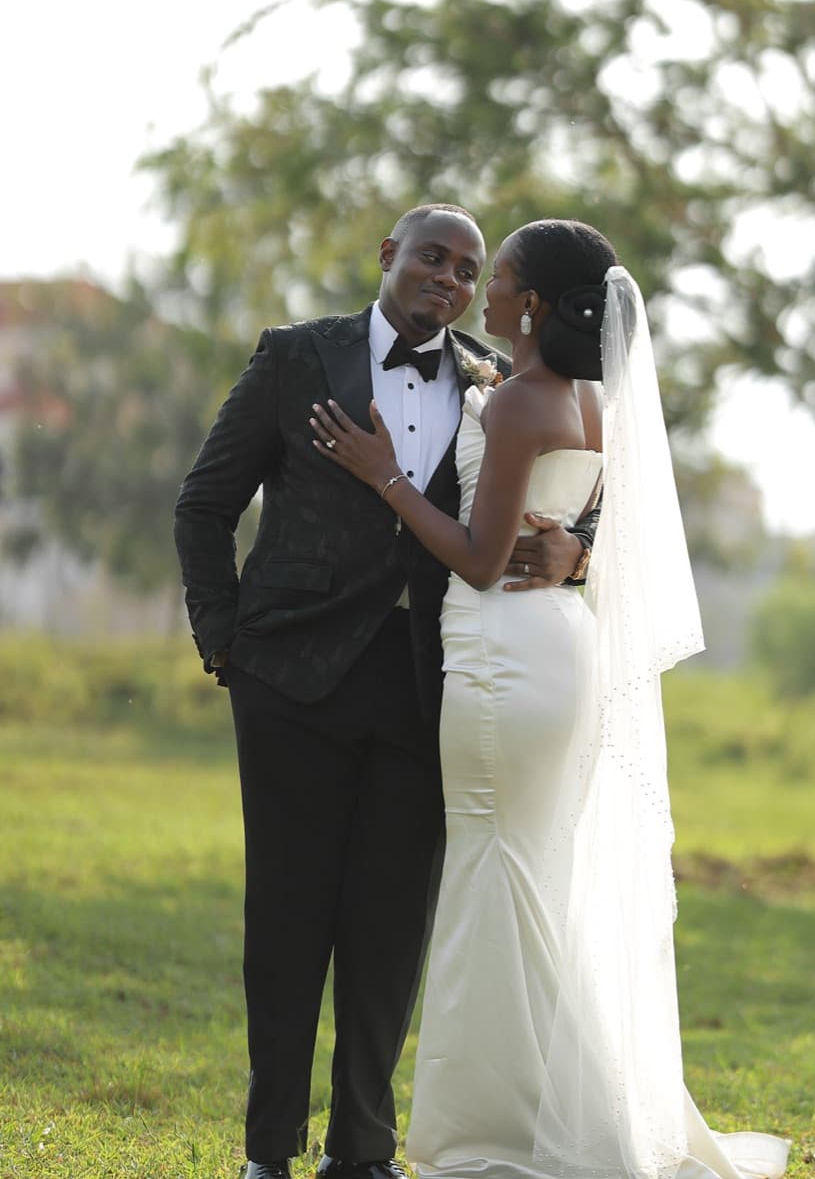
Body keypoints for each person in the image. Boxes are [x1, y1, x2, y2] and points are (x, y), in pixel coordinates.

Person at [312, 218, 790, 1179]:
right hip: (559, 648)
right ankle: (561, 1110)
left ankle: (501, 1133)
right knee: (528, 874)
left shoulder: (521, 404)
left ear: (528, 304)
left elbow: (483, 561)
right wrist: (574, 549)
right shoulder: (592, 403)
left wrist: (386, 477)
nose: (482, 294)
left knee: (496, 867)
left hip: (500, 657)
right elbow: (591, 527)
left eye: (500, 281)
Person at [173, 204, 598, 1179]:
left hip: (430, 690)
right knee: (284, 919)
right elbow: (205, 503)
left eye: (467, 267)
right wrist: (225, 641)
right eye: (431, 258)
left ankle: (361, 1152)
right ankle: (267, 1151)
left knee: (389, 926)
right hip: (286, 683)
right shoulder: (295, 356)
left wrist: (577, 549)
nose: (447, 279)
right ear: (388, 257)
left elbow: (581, 484)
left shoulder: (500, 376)